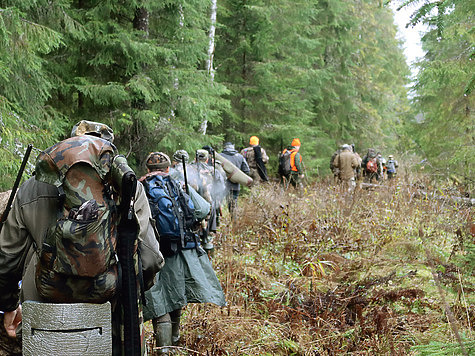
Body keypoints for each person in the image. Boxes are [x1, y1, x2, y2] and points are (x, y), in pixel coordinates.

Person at [0, 120, 163, 356]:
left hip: (42, 318)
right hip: (108, 319)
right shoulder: (127, 187)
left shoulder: (31, 187)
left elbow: (6, 259)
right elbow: (151, 260)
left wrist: (8, 305)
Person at [140, 152, 225, 354]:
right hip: (180, 250)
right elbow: (204, 209)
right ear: (168, 168)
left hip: (151, 253)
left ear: (147, 169)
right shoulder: (176, 184)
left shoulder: (140, 186)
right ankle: (174, 344)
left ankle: (163, 351)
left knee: (160, 302)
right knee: (176, 296)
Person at [220, 142, 250, 218]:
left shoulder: (220, 156)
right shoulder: (240, 157)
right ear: (233, 147)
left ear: (225, 147)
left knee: (218, 204)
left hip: (221, 186)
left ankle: (216, 224)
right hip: (235, 186)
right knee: (233, 207)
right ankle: (235, 225)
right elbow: (246, 170)